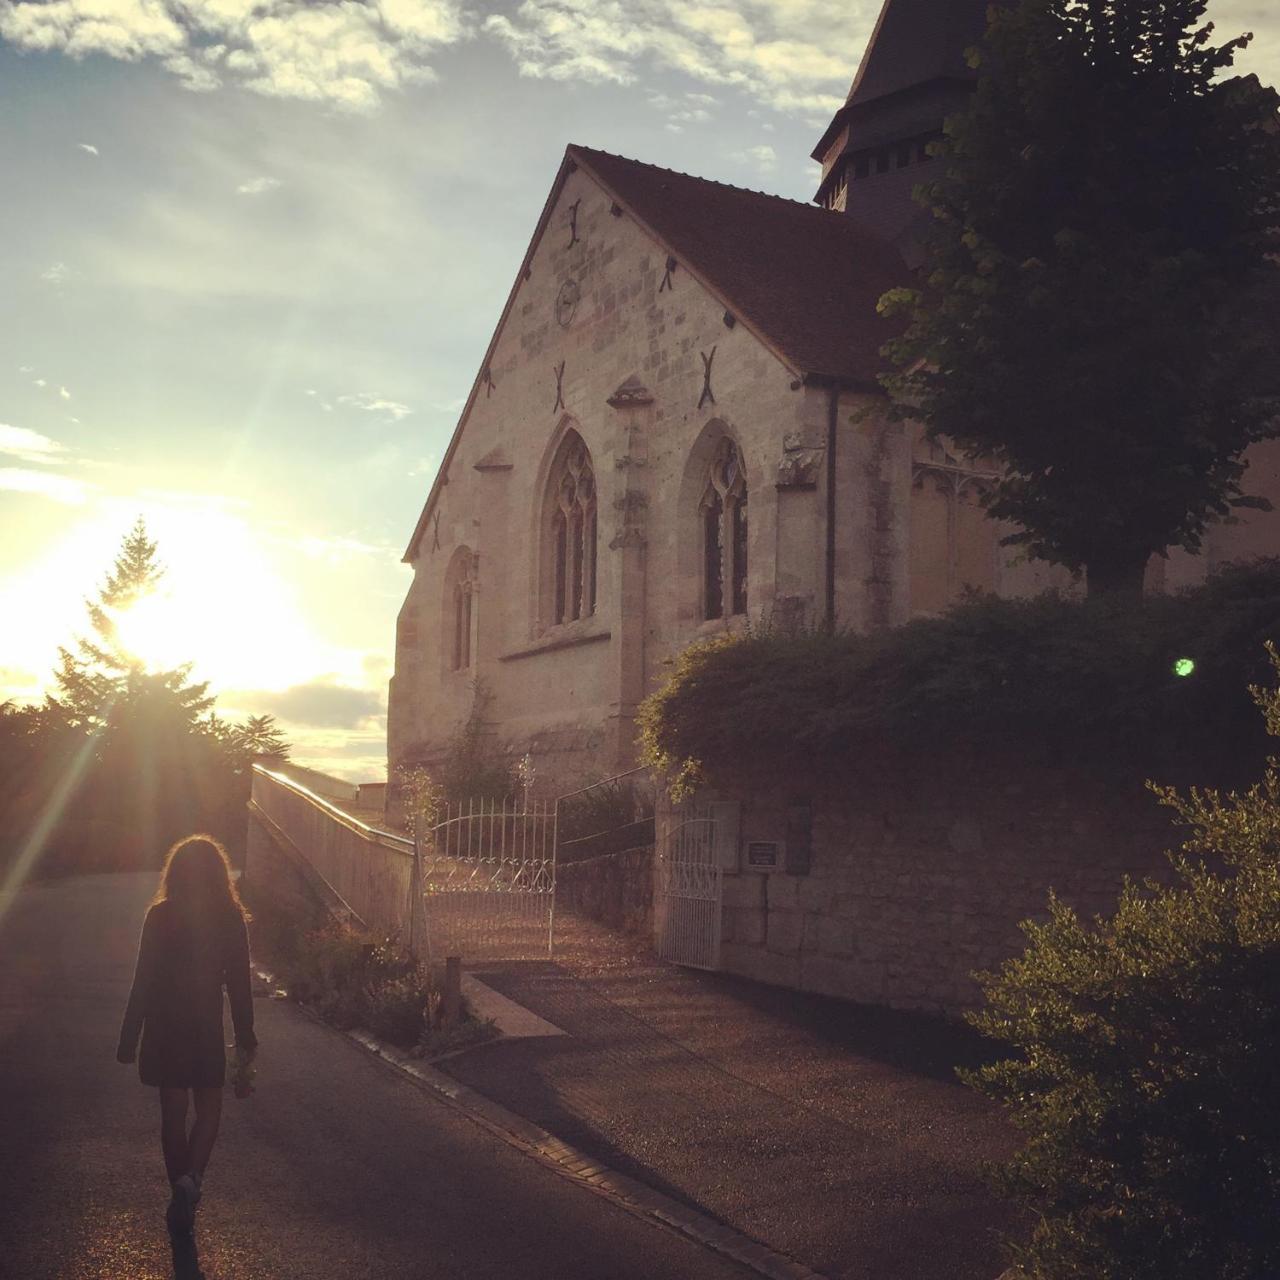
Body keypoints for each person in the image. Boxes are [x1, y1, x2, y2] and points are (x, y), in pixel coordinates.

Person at [117, 834, 258, 1237]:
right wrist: (246, 1036)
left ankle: (179, 1184)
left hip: (164, 1025)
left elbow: (142, 979)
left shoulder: (159, 916)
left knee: (173, 1113)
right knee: (209, 1108)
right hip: (204, 1026)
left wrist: (129, 1039)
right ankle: (192, 1180)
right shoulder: (230, 918)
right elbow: (240, 985)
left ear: (174, 873)